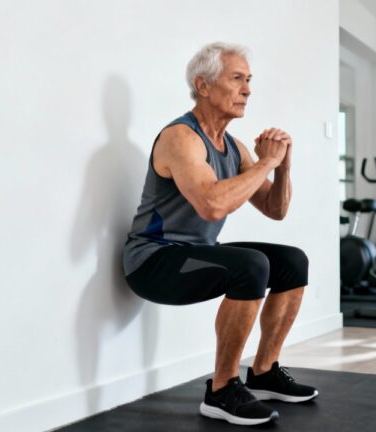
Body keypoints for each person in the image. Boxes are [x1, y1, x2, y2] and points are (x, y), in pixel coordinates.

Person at [121, 42, 317, 426]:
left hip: (194, 252)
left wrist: (282, 166)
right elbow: (211, 205)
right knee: (251, 266)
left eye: (249, 80)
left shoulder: (233, 147)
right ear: (204, 85)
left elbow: (276, 210)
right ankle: (222, 390)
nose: (247, 89)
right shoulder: (181, 138)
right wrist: (266, 163)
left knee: (292, 261)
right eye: (237, 79)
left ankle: (262, 372)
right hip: (153, 262)